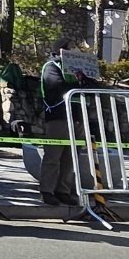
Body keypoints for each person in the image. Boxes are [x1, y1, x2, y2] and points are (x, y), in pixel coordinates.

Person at [39, 49, 96, 207]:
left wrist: (85, 79)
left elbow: (92, 87)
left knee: (71, 157)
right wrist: (77, 82)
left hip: (78, 116)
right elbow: (57, 85)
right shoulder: (51, 66)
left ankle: (63, 190)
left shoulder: (80, 69)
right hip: (58, 116)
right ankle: (47, 190)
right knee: (53, 156)